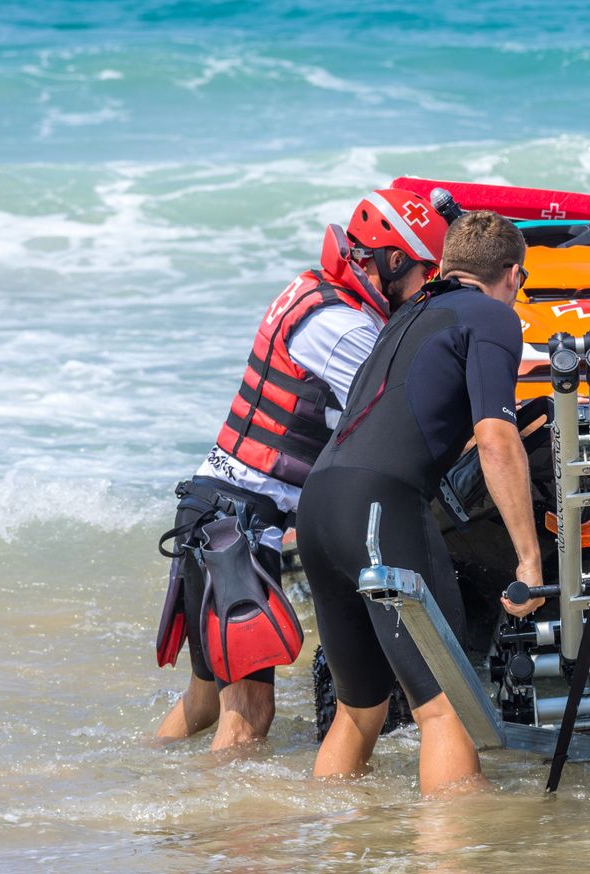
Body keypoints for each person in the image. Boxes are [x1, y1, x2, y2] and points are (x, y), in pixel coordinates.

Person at [154, 188, 449, 751]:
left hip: (208, 507)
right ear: (392, 260)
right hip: (237, 528)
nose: (424, 292)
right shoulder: (344, 330)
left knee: (204, 700)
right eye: (422, 277)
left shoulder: (312, 290)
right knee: (248, 715)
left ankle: (152, 790)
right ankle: (231, 832)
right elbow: (399, 415)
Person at [298, 210, 546, 796]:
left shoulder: (405, 316)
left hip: (320, 504)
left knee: (360, 710)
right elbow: (495, 437)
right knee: (447, 704)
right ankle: (454, 853)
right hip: (379, 507)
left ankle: (332, 844)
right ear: (511, 275)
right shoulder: (490, 315)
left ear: (445, 265)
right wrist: (529, 561)